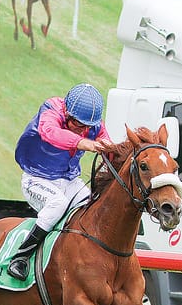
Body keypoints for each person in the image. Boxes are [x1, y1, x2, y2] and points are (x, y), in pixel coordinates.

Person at [7, 83, 114, 281]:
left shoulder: (93, 124)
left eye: (88, 127)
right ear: (67, 113)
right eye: (79, 125)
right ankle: (21, 257)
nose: (84, 131)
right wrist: (83, 143)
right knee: (58, 204)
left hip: (70, 180)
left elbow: (109, 149)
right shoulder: (51, 109)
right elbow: (49, 132)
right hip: (36, 178)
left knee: (93, 205)